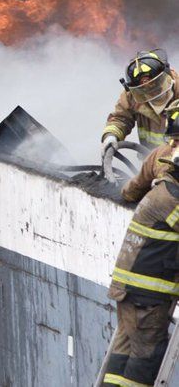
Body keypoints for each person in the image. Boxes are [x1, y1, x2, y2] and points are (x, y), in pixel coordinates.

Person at [103, 148, 179, 385]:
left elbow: (132, 189)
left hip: (130, 292)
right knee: (147, 355)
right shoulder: (172, 201)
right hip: (147, 298)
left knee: (124, 351)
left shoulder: (160, 191)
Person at [104, 50, 179, 163]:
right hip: (150, 163)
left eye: (156, 85)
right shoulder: (133, 95)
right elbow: (120, 118)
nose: (152, 91)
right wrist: (111, 136)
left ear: (167, 74)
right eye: (145, 89)